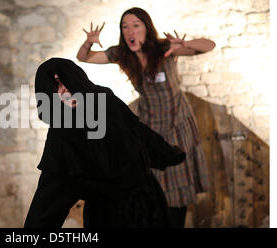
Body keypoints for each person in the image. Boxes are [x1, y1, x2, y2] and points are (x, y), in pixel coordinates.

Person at [76, 7, 214, 227]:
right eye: (125, 26)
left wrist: (185, 45)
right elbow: (83, 57)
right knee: (154, 189)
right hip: (151, 127)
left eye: (136, 25)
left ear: (146, 28)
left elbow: (209, 45)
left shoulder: (164, 48)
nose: (130, 31)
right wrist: (89, 42)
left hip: (177, 124)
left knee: (177, 188)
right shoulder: (121, 54)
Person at [24, 57, 186, 228]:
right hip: (108, 217)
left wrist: (169, 153)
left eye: (66, 80)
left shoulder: (106, 100)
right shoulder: (62, 133)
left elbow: (138, 132)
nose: (65, 90)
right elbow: (50, 192)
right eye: (56, 85)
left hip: (149, 207)